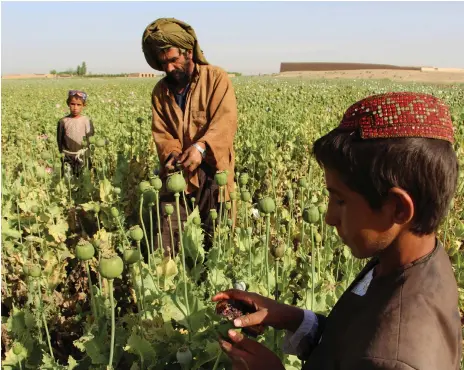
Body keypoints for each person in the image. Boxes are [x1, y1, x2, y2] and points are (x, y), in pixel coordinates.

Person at [213, 92, 462, 370]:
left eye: (340, 200)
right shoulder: (404, 260)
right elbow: (350, 344)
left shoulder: (395, 359)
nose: (330, 217)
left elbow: (371, 354)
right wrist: (290, 317)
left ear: (398, 209)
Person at [141, 18, 237, 252]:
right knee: (168, 246)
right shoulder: (160, 92)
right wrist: (172, 154)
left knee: (217, 245)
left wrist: (201, 148)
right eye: (163, 63)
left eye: (173, 60)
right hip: (178, 179)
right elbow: (162, 133)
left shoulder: (215, 79)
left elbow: (225, 122)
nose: (169, 68)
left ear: (189, 53)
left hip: (215, 176)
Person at [57, 90, 94, 177]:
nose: (75, 107)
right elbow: (59, 141)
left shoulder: (87, 121)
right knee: (68, 179)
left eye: (78, 105)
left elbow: (90, 140)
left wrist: (88, 156)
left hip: (82, 156)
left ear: (84, 105)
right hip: (67, 157)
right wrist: (62, 156)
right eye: (73, 104)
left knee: (83, 178)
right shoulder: (63, 121)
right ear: (68, 104)